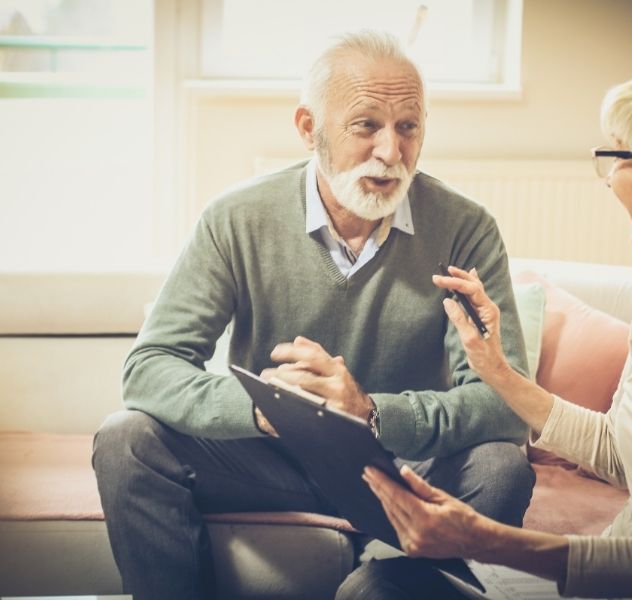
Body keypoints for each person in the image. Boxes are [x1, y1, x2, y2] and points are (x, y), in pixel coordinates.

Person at [91, 30, 536, 599]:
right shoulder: (235, 218)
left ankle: (386, 586)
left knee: (501, 466)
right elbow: (149, 368)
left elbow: (505, 403)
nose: (391, 152)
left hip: (402, 470)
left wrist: (372, 413)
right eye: (366, 125)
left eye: (408, 127)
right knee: (126, 437)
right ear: (309, 128)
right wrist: (266, 409)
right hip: (270, 463)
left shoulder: (464, 227)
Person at [344, 56, 632, 599]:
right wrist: (499, 372)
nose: (608, 180)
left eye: (615, 157)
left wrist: (481, 538)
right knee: (375, 584)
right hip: (608, 578)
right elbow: (620, 452)